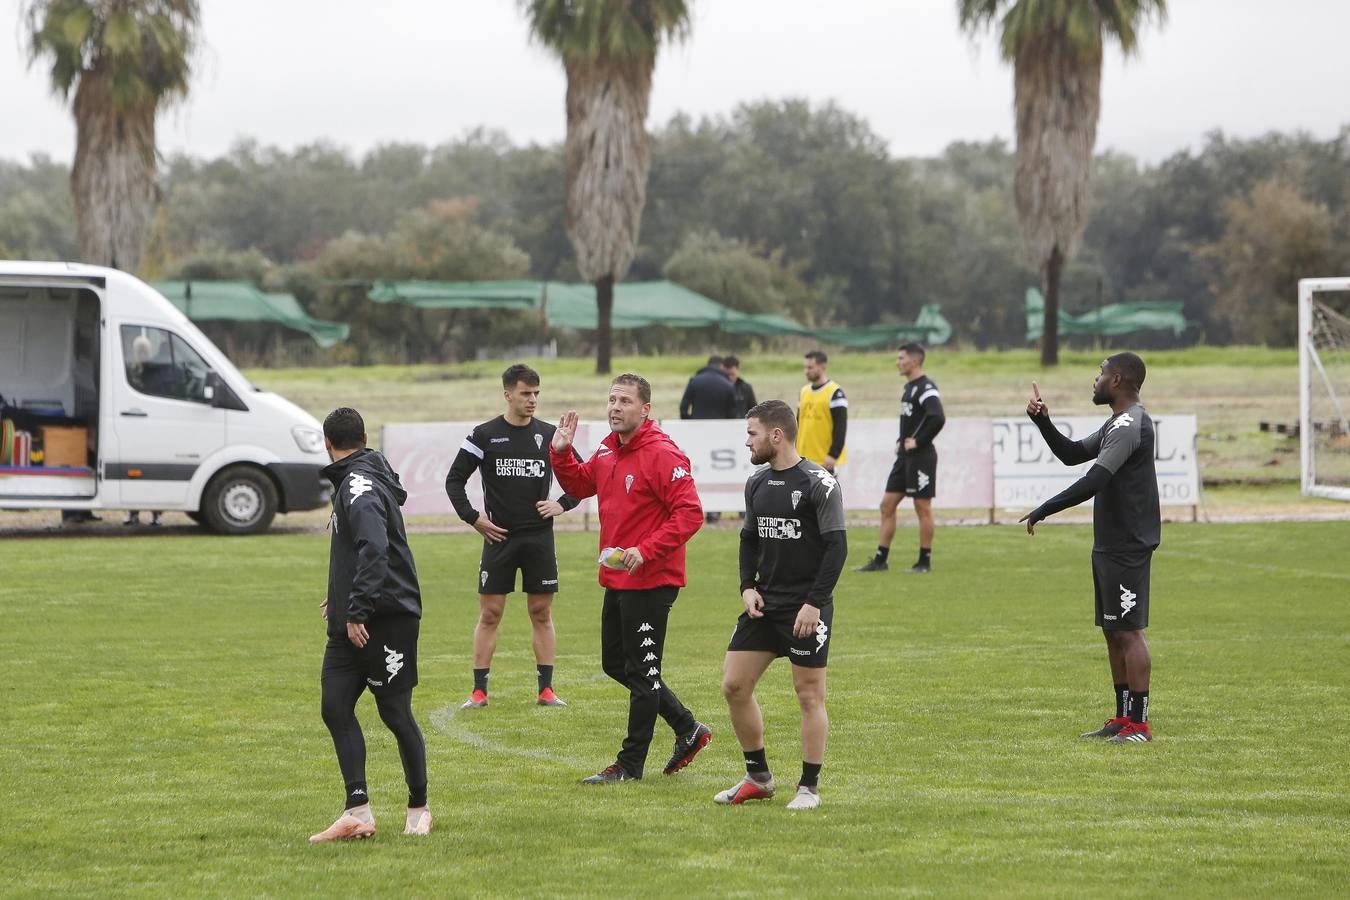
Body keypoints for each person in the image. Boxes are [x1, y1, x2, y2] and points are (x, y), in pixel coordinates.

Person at [550, 374, 713, 784]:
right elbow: (582, 484)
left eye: (625, 401)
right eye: (611, 400)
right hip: (619, 577)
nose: (615, 407)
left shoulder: (662, 454)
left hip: (652, 580)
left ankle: (629, 765)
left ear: (646, 409)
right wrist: (562, 455)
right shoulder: (608, 448)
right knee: (617, 664)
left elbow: (690, 514)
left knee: (642, 673)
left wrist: (647, 550)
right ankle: (688, 728)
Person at [1020, 353, 1160, 745]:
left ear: (1116, 380)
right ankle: (1121, 717)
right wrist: (1042, 420)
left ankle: (1141, 725)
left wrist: (1045, 508)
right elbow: (1071, 454)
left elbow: (1093, 480)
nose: (1095, 380)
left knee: (1130, 632)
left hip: (1128, 543)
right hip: (1110, 542)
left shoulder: (1132, 424)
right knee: (1113, 631)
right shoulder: (1116, 422)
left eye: (1100, 374)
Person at [715, 400, 847, 810]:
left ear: (776, 434)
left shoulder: (819, 483)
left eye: (751, 433)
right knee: (734, 685)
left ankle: (808, 788)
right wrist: (746, 586)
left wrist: (814, 604)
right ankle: (758, 777)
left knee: (808, 695)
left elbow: (836, 548)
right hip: (764, 605)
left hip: (806, 609)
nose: (746, 442)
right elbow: (749, 539)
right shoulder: (756, 483)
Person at [309, 407, 431, 842]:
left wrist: (358, 607)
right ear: (363, 436)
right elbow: (357, 552)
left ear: (328, 443)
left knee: (395, 713)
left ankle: (419, 808)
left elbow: (375, 547)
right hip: (352, 618)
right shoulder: (357, 477)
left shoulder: (357, 485)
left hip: (387, 618)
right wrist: (343, 595)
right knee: (335, 706)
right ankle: (357, 812)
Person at [445, 364, 578, 709]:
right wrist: (474, 518)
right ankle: (478, 692)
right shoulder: (484, 435)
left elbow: (583, 479)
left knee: (541, 612)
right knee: (490, 613)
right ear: (507, 394)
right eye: (525, 393)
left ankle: (547, 690)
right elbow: (454, 481)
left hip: (538, 540)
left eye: (536, 394)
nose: (532, 400)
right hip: (499, 539)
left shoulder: (550, 435)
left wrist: (561, 504)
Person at [858, 343, 945, 574]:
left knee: (922, 507)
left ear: (914, 361)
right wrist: (901, 440)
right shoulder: (909, 388)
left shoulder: (926, 387)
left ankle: (924, 561)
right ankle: (880, 560)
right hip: (905, 458)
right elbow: (912, 421)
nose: (898, 362)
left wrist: (918, 441)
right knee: (887, 505)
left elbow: (937, 416)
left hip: (922, 458)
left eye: (901, 358)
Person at [796, 350, 847, 473]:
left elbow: (840, 427)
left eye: (810, 367)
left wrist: (833, 455)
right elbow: (797, 424)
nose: (806, 371)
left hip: (824, 461)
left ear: (823, 366)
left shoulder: (835, 392)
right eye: (805, 367)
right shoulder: (804, 391)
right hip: (802, 459)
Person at [679, 354, 737, 420]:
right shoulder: (728, 385)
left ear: (708, 365)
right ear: (722, 366)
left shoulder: (694, 381)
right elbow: (732, 414)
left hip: (697, 426)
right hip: (720, 427)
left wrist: (691, 421)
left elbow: (683, 409)